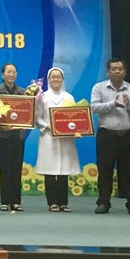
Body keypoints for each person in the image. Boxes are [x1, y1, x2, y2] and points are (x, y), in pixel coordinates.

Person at [91, 58, 130, 216]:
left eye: (120, 69)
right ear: (108, 72)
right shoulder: (99, 87)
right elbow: (94, 107)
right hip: (106, 135)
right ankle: (103, 203)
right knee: (104, 171)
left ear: (125, 72)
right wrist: (113, 104)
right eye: (113, 69)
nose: (117, 71)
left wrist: (129, 105)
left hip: (129, 135)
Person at [35, 67, 80, 212]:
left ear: (62, 79)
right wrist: (47, 126)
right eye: (53, 77)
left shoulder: (69, 97)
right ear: (49, 79)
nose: (56, 79)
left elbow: (75, 118)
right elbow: (37, 117)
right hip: (48, 138)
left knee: (63, 172)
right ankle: (52, 203)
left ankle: (63, 203)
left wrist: (76, 130)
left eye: (58, 77)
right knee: (49, 171)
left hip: (65, 139)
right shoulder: (42, 97)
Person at [0, 63, 26, 212]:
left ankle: (16, 201)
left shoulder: (23, 92)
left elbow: (26, 113)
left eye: (14, 72)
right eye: (8, 72)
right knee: (5, 166)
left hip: (18, 134)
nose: (11, 74)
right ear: (2, 74)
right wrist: (2, 125)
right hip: (3, 134)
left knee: (17, 166)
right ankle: (5, 201)